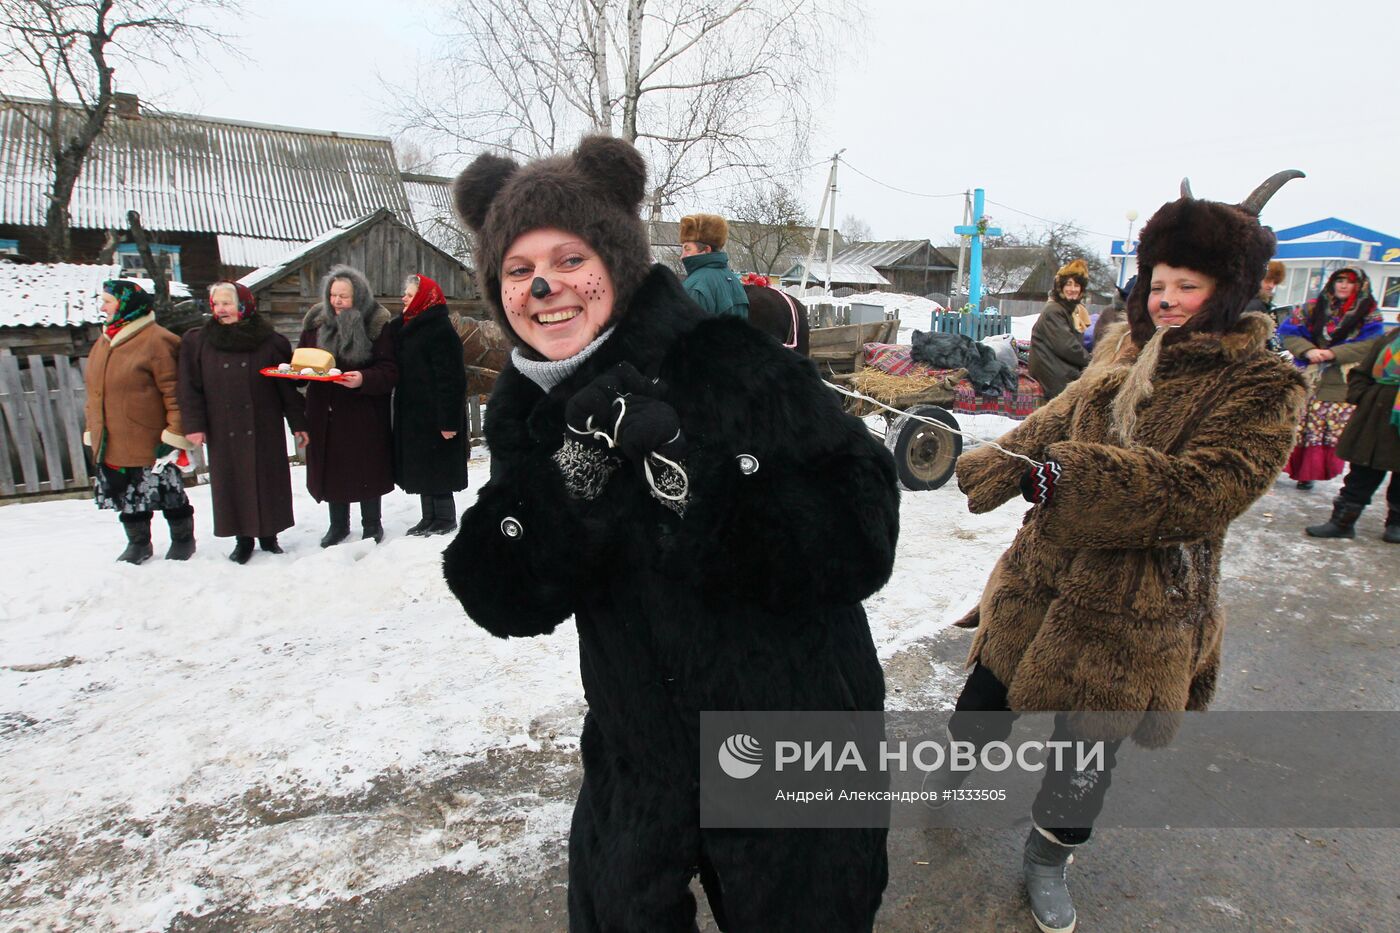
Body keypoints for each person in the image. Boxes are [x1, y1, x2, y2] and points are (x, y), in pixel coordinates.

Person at [442, 135, 898, 931]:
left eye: (569, 256)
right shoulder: (527, 413)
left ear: (616, 261)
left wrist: (700, 479)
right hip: (642, 751)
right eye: (518, 269)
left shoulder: (720, 358)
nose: (544, 284)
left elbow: (864, 526)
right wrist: (574, 477)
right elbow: (503, 594)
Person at [951, 171, 1306, 933]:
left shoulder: (1263, 384)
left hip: (1138, 606)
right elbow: (1062, 413)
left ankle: (1049, 857)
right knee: (982, 698)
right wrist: (1002, 459)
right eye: (1159, 282)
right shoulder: (1124, 346)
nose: (1166, 298)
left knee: (1085, 755)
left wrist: (1075, 477)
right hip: (1041, 576)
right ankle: (956, 780)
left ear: (1231, 290)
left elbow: (1207, 488)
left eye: (1188, 284)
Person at [178, 282, 309, 563]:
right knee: (233, 481)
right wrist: (194, 425)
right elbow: (190, 387)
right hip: (223, 427)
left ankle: (269, 536)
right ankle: (243, 539)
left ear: (244, 305)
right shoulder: (198, 341)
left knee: (267, 479)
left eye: (228, 303)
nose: (222, 309)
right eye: (217, 304)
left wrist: (298, 423)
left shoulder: (271, 342)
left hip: (263, 424)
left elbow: (286, 388)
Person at [84, 279, 197, 563]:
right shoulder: (104, 341)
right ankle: (138, 543)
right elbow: (94, 392)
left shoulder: (158, 340)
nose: (102, 307)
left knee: (167, 491)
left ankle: (183, 539)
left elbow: (175, 392)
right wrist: (93, 428)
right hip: (113, 437)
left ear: (126, 304)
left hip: (151, 437)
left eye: (107, 301)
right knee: (127, 495)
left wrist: (175, 434)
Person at [298, 265, 398, 545]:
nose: (337, 302)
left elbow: (389, 370)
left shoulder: (376, 323)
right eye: (332, 295)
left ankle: (372, 525)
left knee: (366, 468)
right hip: (325, 412)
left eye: (344, 296)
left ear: (359, 296)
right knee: (333, 470)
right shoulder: (316, 322)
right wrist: (301, 371)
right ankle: (338, 525)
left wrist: (364, 379)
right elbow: (303, 358)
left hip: (362, 412)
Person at [1277, 268, 1384, 489]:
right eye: (1339, 280)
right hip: (1308, 372)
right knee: (1294, 422)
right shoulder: (1313, 307)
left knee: (1321, 427)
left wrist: (1334, 353)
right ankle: (1279, 466)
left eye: (1350, 282)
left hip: (1340, 377)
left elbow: (1371, 344)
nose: (1343, 285)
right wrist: (1307, 351)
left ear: (1360, 286)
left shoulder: (1370, 313)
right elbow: (1289, 332)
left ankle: (1308, 474)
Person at [1304, 327, 1400, 542]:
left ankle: (1396, 524)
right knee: (1361, 470)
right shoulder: (1391, 338)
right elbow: (1362, 372)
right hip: (1374, 413)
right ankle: (1342, 522)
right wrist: (1362, 395)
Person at [390, 273, 468, 536]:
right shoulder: (408, 325)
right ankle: (428, 517)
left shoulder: (440, 329)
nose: (404, 298)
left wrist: (448, 421)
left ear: (423, 299)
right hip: (415, 414)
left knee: (439, 467)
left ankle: (445, 519)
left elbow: (452, 379)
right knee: (423, 468)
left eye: (410, 295)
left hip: (437, 414)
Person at [1028, 258, 1093, 399]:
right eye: (1068, 284)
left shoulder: (1071, 309)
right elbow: (1067, 346)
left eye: (1077, 285)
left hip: (1061, 364)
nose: (1073, 289)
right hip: (1052, 369)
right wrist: (1091, 361)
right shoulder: (1054, 310)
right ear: (1060, 287)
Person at [678, 213, 749, 319]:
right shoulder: (734, 282)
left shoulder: (696, 286)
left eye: (687, 249)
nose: (682, 256)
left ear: (706, 250)